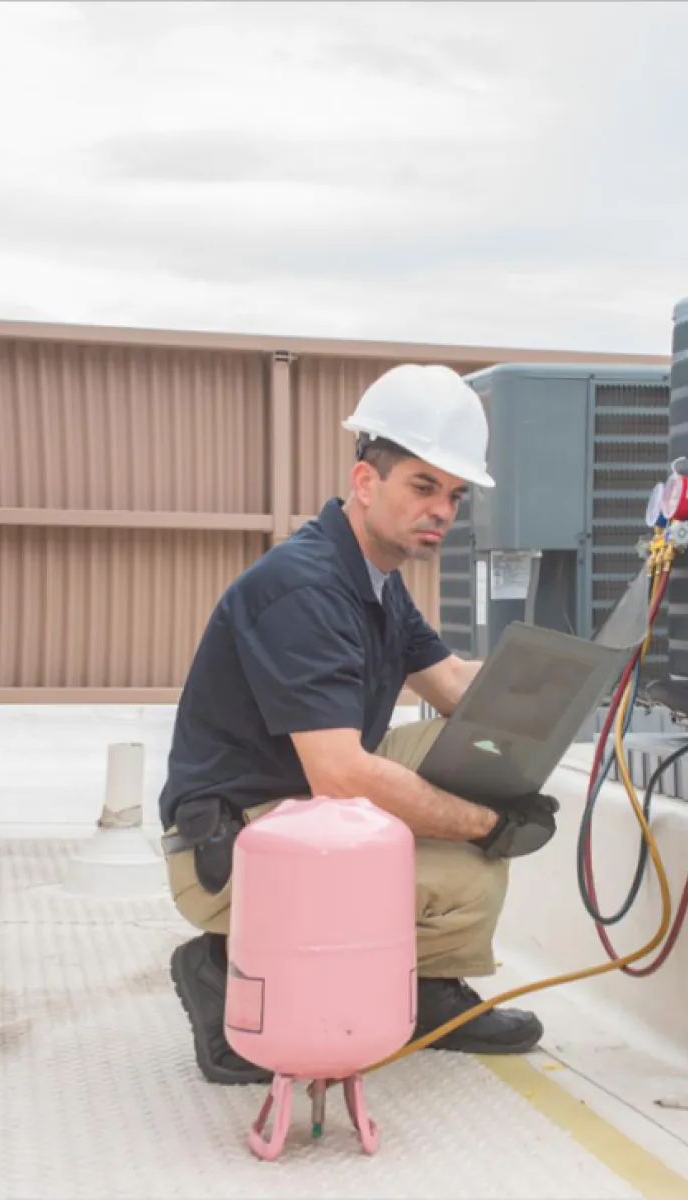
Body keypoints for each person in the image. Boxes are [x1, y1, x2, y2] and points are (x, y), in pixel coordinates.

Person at [157, 363, 559, 1085]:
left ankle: (424, 989)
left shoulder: (372, 580)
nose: (441, 510)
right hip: (236, 845)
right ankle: (221, 965)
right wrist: (483, 822)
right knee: (468, 873)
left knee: (470, 751)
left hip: (297, 808)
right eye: (423, 486)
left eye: (454, 495)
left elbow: (452, 690)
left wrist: (562, 692)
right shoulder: (303, 588)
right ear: (366, 482)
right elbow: (339, 772)